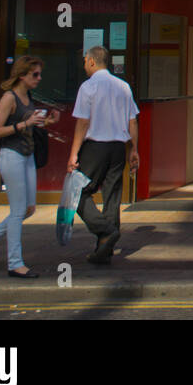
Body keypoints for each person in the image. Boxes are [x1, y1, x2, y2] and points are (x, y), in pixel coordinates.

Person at [0, 56, 59, 278]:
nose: (39, 78)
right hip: (11, 155)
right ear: (22, 75)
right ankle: (15, 263)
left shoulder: (27, 95)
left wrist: (48, 122)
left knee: (28, 209)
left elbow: (31, 125)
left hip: (27, 155)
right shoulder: (9, 98)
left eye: (40, 74)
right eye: (35, 74)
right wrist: (24, 123)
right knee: (17, 211)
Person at [67, 46, 139, 265]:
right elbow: (132, 121)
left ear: (91, 61)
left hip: (95, 146)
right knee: (112, 197)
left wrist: (73, 153)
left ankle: (105, 231)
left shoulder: (88, 87)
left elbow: (83, 122)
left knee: (76, 192)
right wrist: (134, 149)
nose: (84, 65)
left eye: (84, 61)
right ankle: (104, 250)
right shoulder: (123, 86)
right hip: (118, 147)